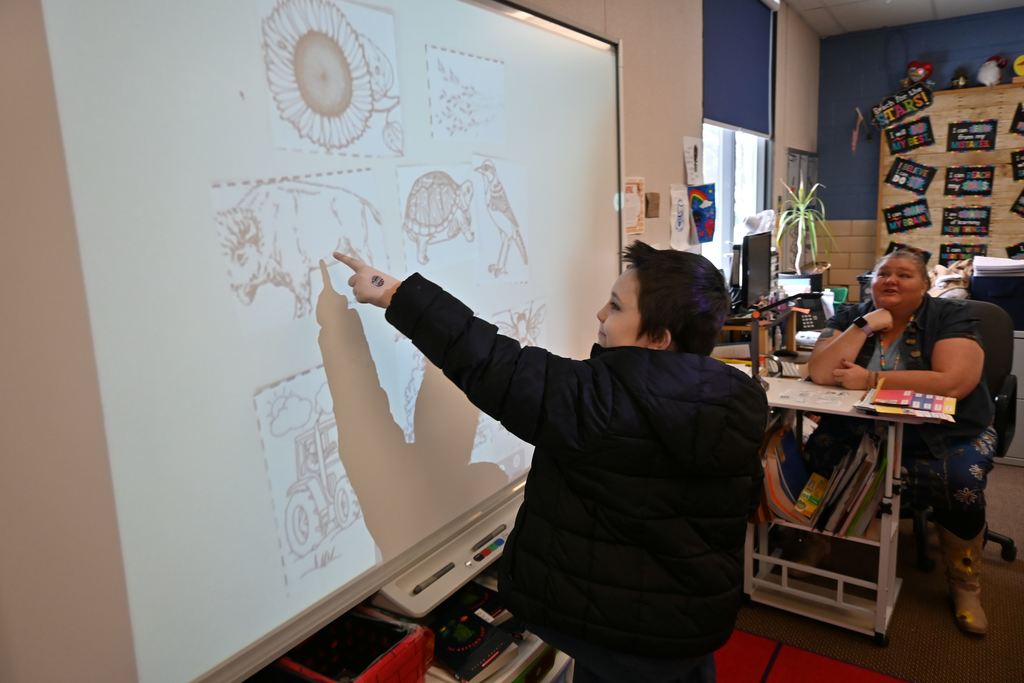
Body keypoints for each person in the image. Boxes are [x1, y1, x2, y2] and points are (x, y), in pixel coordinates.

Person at [332, 241, 768, 682]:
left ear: (658, 339)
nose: (600, 314)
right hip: (687, 629)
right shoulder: (737, 402)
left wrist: (395, 294)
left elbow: (493, 364)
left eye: (616, 307)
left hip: (620, 636)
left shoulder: (602, 402)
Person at [805, 248, 996, 635]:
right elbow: (821, 372)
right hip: (863, 430)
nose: (890, 280)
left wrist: (872, 381)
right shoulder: (852, 317)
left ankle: (965, 584)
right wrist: (863, 326)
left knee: (960, 482)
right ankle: (819, 540)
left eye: (904, 275)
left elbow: (954, 382)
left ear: (925, 286)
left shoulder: (951, 316)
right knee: (817, 453)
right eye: (883, 274)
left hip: (945, 433)